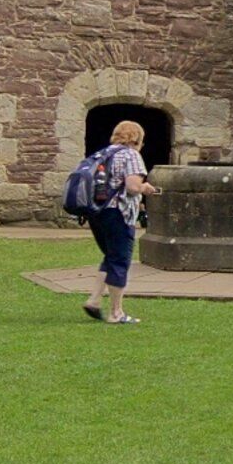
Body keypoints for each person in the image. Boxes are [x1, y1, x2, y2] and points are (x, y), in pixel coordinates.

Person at [78, 116, 158, 324]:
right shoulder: (131, 155)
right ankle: (116, 313)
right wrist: (145, 188)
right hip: (118, 213)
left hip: (96, 212)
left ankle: (94, 300)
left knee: (111, 256)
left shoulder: (101, 154)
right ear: (137, 138)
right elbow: (132, 187)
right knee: (120, 260)